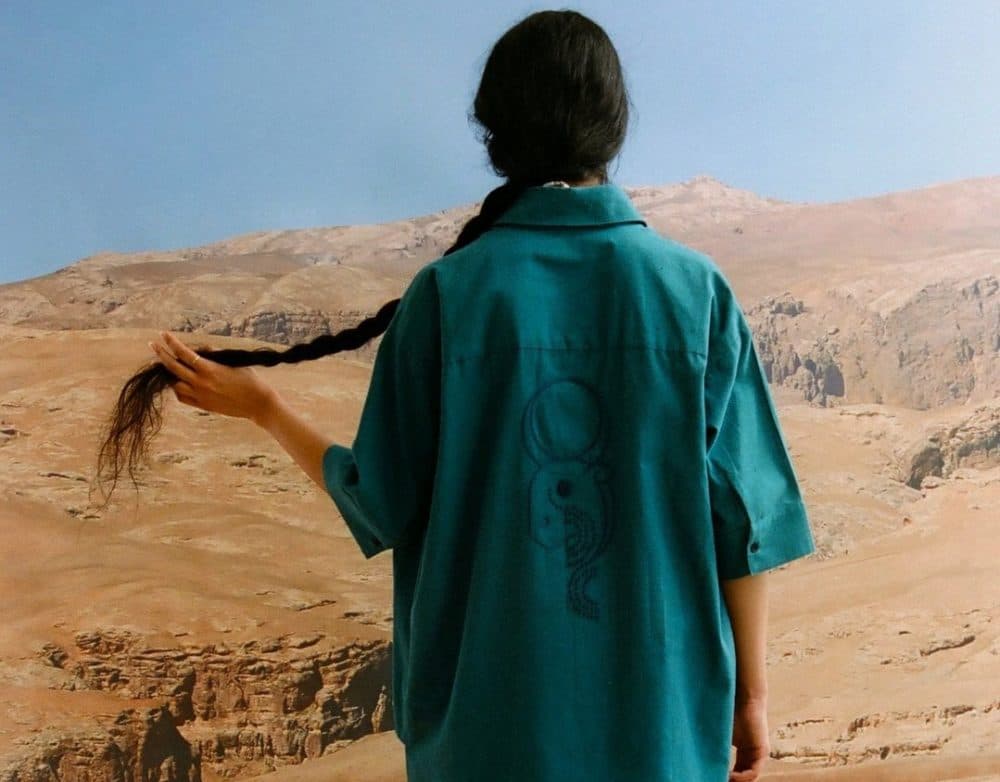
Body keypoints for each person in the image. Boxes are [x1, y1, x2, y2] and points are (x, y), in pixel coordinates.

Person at [111, 9, 815, 782]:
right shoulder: (697, 295)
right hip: (662, 736)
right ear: (614, 128)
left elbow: (377, 499)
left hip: (485, 741)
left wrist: (265, 410)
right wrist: (751, 697)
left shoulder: (447, 297)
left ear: (496, 134)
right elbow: (742, 525)